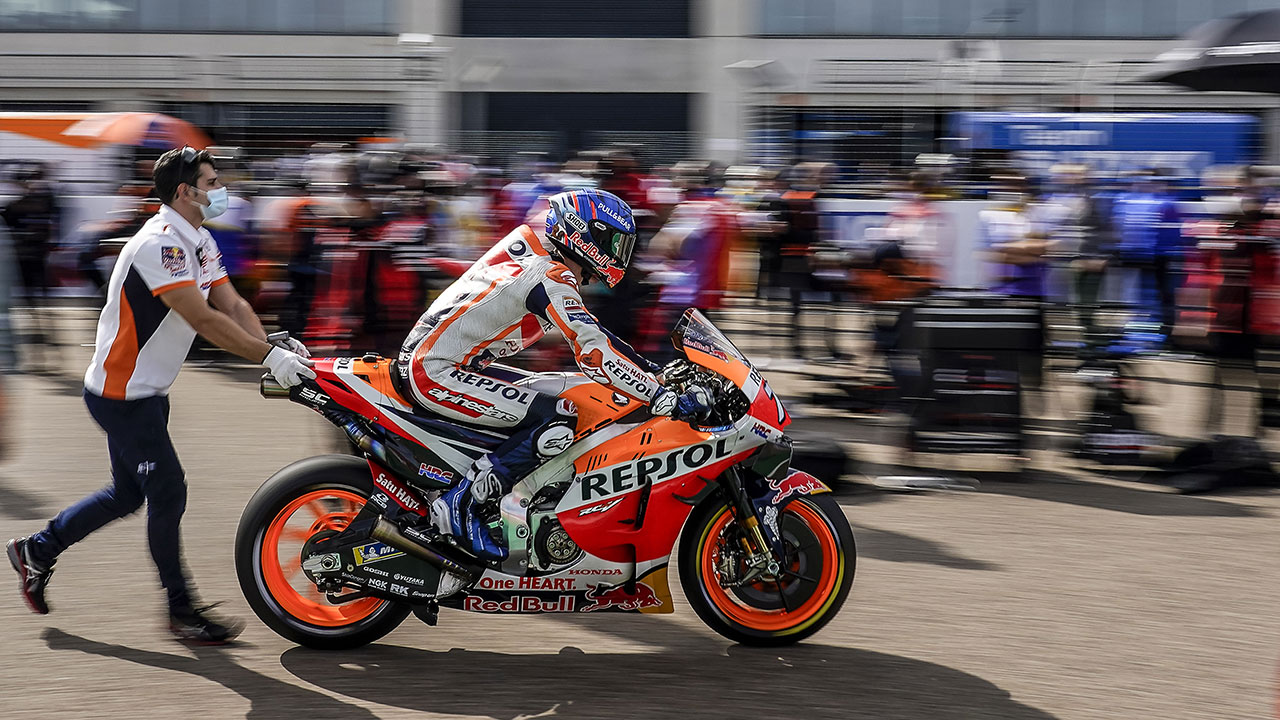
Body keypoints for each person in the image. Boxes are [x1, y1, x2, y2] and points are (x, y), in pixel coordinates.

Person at [6, 147, 315, 644]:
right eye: (212, 183)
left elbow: (231, 302)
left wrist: (269, 345)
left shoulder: (199, 238)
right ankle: (181, 610)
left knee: (127, 493)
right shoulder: (162, 244)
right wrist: (266, 359)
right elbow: (204, 318)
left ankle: (37, 550)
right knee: (168, 490)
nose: (221, 191)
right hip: (120, 395)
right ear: (184, 192)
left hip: (145, 393)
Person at [398, 188, 711, 562]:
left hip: (450, 362)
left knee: (567, 392)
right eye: (613, 241)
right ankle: (462, 503)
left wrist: (657, 373)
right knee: (559, 418)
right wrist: (659, 395)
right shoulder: (549, 274)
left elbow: (597, 337)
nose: (619, 253)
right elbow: (593, 352)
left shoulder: (541, 257)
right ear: (583, 233)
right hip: (434, 371)